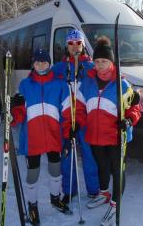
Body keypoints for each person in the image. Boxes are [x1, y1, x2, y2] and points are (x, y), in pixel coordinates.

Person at [77, 36, 141, 226]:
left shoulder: (122, 84)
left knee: (117, 170)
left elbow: (135, 108)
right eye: (97, 62)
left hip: (115, 136)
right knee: (101, 167)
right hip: (95, 135)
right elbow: (80, 107)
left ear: (112, 62)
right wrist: (77, 124)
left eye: (104, 61)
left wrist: (129, 120)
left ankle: (115, 204)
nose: (100, 65)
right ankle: (104, 193)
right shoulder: (87, 83)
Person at [11, 48, 71, 225]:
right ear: (33, 64)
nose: (40, 65)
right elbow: (20, 113)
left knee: (55, 170)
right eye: (37, 62)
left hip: (54, 135)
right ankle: (32, 205)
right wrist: (14, 114)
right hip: (32, 137)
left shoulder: (60, 85)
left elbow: (67, 112)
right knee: (33, 172)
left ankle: (55, 198)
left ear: (49, 63)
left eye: (44, 61)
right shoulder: (25, 85)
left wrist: (68, 133)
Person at [52, 29, 99, 203]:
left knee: (89, 154)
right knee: (66, 155)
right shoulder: (58, 68)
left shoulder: (91, 67)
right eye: (71, 43)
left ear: (83, 45)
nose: (74, 46)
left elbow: (108, 80)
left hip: (85, 120)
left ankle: (93, 190)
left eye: (78, 43)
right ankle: (69, 190)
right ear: (66, 45)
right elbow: (40, 79)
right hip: (65, 120)